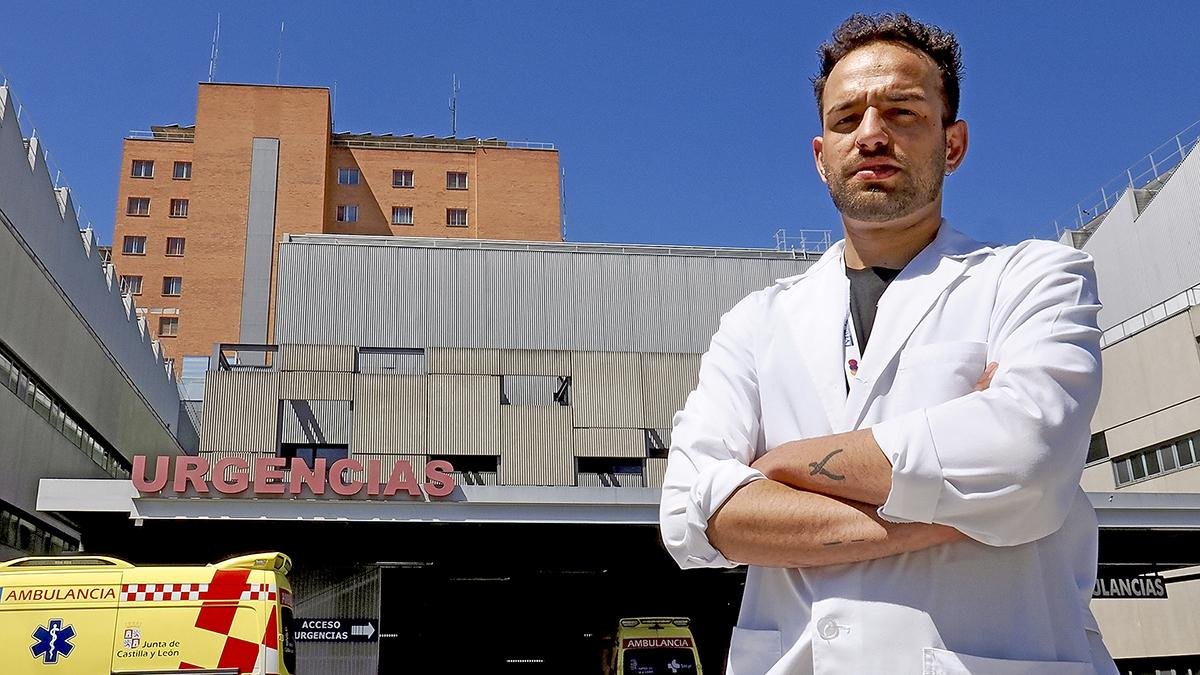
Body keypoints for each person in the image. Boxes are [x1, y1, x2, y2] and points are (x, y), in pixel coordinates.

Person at [659, 12, 1119, 675]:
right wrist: (972, 508)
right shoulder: (755, 323)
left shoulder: (1036, 278)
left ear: (953, 144)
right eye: (846, 119)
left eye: (902, 113)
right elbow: (689, 515)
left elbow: (1029, 455)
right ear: (821, 157)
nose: (871, 134)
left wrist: (779, 466)